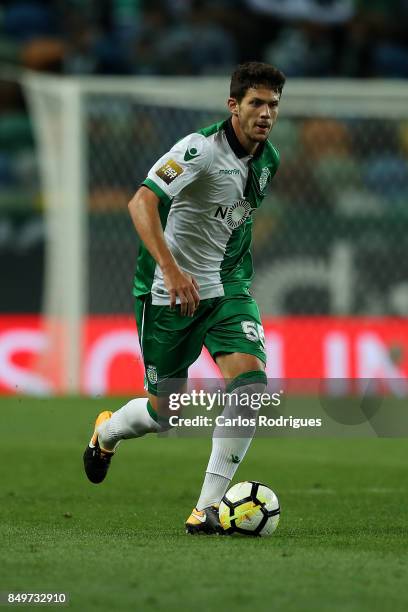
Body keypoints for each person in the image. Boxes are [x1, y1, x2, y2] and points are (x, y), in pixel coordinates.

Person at [83, 61, 286, 535]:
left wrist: (228, 269)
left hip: (228, 288)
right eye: (255, 103)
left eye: (273, 105)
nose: (265, 113)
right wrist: (173, 271)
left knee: (251, 388)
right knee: (165, 413)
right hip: (168, 292)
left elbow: (234, 218)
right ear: (233, 105)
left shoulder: (269, 160)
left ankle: (207, 508)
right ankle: (107, 431)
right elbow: (141, 202)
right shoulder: (196, 150)